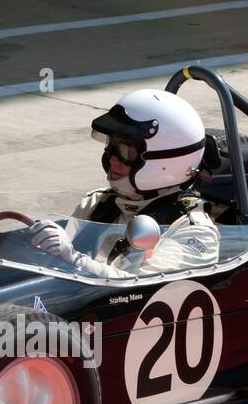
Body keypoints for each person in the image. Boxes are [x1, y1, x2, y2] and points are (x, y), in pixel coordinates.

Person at [29, 89, 219, 278]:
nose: (112, 159)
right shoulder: (96, 204)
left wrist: (75, 261)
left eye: (126, 150)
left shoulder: (194, 231)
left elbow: (147, 291)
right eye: (111, 146)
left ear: (165, 162)